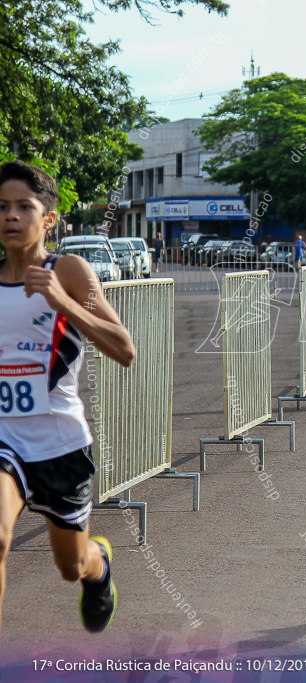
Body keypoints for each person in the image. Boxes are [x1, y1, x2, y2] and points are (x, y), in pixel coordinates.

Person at [0, 160, 136, 636]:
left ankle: (98, 568)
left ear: (49, 219)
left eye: (23, 206)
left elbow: (125, 349)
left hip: (60, 444)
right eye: (1, 207)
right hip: (5, 440)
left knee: (70, 566)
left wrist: (64, 302)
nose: (11, 216)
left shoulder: (70, 271)